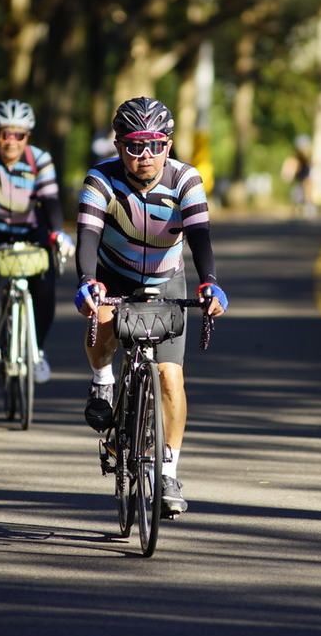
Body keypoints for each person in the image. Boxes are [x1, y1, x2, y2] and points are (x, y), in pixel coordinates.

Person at [74, 95, 228, 517]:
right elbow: (87, 236)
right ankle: (103, 379)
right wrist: (87, 282)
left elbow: (200, 236)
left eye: (156, 144)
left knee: (170, 379)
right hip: (113, 275)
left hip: (166, 279)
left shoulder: (185, 179)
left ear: (169, 145)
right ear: (119, 145)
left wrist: (210, 283)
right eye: (135, 145)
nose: (146, 155)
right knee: (102, 316)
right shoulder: (101, 179)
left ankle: (168, 473)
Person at [0, 99, 74, 381]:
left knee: (45, 284)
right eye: (4, 134)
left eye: (19, 135)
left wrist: (57, 232)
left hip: (32, 232)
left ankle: (37, 351)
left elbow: (50, 200)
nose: (11, 142)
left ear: (27, 137)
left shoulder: (40, 159)